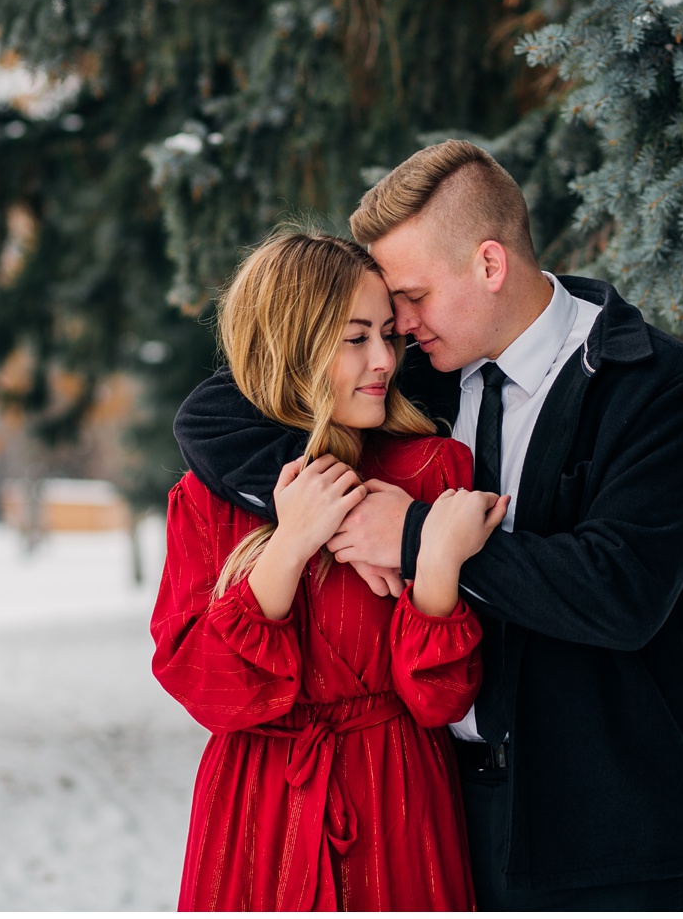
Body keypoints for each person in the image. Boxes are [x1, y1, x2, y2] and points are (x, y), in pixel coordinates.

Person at [174, 141, 683, 910]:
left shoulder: (651, 385)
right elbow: (214, 412)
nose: (396, 326)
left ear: (490, 265)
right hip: (439, 822)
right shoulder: (413, 374)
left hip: (605, 827)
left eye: (413, 295)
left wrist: (417, 540)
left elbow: (621, 593)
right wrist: (339, 510)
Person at [151, 229, 510, 911]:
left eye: (388, 335)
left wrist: (431, 564)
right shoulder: (208, 495)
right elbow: (208, 691)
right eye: (354, 338)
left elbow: (442, 699)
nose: (383, 360)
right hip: (254, 814)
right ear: (292, 344)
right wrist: (289, 547)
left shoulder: (434, 470)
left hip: (396, 804)